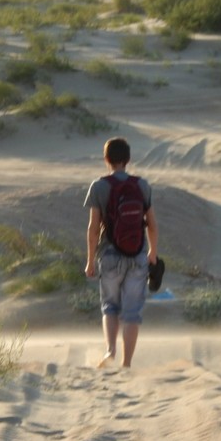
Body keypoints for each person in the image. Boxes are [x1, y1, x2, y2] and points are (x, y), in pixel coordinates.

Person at [84, 137, 158, 368]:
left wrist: (89, 261)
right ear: (128, 159)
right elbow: (152, 224)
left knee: (110, 306)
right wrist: (152, 252)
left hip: (109, 254)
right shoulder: (142, 185)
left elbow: (93, 228)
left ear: (106, 159)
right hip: (137, 256)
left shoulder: (99, 186)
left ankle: (110, 351)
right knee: (132, 312)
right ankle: (127, 363)